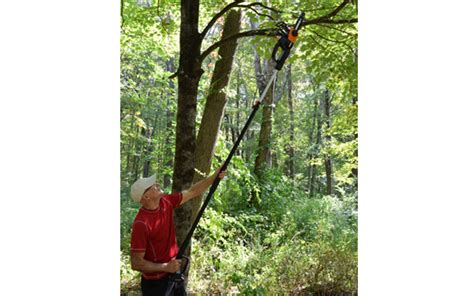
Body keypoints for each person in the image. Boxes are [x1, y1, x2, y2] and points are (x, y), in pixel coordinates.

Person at [129, 168, 226, 296]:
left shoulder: (166, 202)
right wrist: (165, 267)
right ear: (145, 196)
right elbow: (136, 263)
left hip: (174, 274)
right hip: (156, 285)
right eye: (152, 186)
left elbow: (192, 191)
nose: (157, 185)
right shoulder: (141, 223)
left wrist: (215, 176)